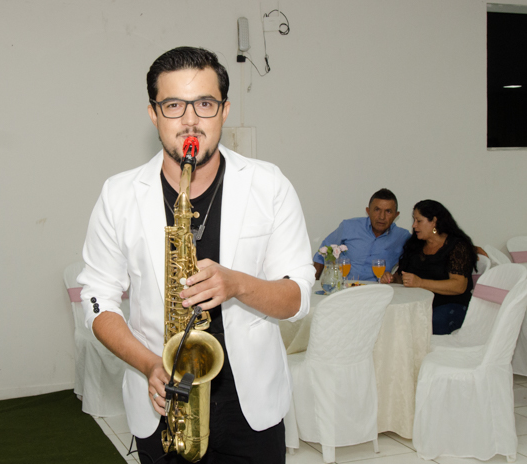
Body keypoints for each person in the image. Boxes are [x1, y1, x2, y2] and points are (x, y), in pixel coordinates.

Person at [77, 46, 315, 464]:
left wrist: (237, 284)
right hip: (163, 402)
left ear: (224, 110)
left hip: (251, 409)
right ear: (153, 114)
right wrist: (149, 364)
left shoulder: (269, 186)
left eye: (204, 104)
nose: (190, 120)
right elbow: (98, 299)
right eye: (173, 105)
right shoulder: (118, 195)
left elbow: (297, 299)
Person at [383, 200, 478, 335]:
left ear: (434, 221)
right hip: (419, 305)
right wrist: (391, 278)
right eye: (414, 220)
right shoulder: (415, 245)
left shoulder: (456, 246)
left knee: (425, 323)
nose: (414, 225)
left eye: (419, 221)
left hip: (450, 306)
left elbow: (459, 286)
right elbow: (403, 277)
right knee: (389, 318)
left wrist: (420, 283)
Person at [313, 188, 411, 281]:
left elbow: (409, 267)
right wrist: (311, 285)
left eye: (388, 211)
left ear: (396, 215)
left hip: (378, 289)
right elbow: (323, 252)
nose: (382, 217)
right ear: (368, 211)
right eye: (377, 210)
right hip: (345, 287)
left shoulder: (403, 237)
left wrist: (392, 278)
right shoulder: (349, 227)